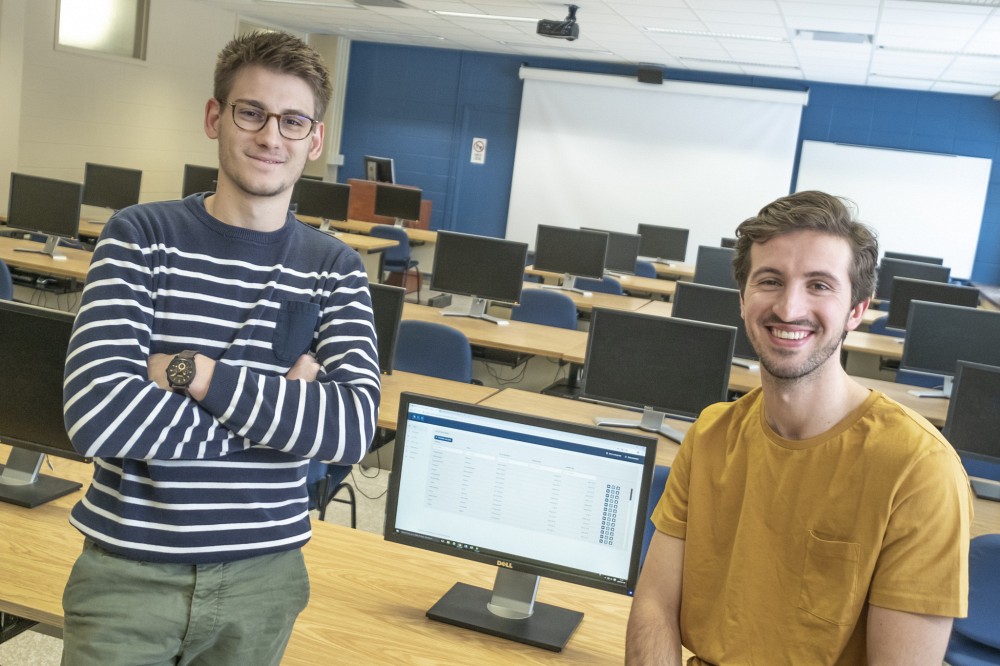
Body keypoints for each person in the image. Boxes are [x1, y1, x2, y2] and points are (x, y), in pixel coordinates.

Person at [61, 31, 380, 665]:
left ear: (314, 140)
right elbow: (96, 415)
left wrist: (196, 375)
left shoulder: (334, 269)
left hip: (266, 579)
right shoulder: (141, 236)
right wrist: (282, 419)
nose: (271, 136)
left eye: (293, 121)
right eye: (251, 112)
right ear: (216, 117)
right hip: (129, 572)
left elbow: (348, 431)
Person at [626, 190, 972, 665]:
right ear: (743, 298)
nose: (789, 309)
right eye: (770, 280)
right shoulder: (711, 433)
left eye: (820, 285)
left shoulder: (919, 469)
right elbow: (655, 608)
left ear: (857, 309)